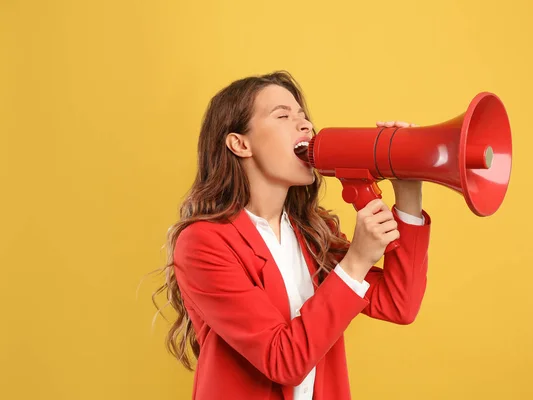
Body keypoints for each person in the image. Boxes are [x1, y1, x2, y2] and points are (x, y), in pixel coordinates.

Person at [152, 70, 431, 400]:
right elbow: (282, 359)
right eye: (283, 115)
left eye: (303, 116)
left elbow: (399, 304)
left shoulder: (313, 233)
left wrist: (409, 193)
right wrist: (356, 260)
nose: (305, 126)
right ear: (240, 143)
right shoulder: (203, 244)